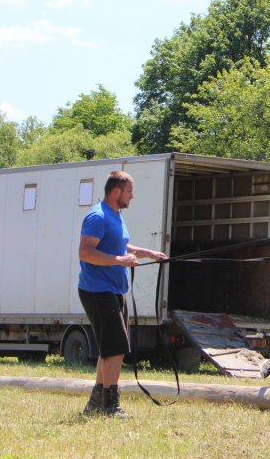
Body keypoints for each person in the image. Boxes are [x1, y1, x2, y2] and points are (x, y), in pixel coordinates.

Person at [78, 171, 167, 418]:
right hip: (98, 289)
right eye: (129, 191)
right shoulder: (98, 216)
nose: (132, 196)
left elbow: (119, 245)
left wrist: (148, 253)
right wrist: (119, 260)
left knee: (110, 348)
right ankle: (111, 405)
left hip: (115, 289)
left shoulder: (115, 215)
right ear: (116, 191)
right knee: (115, 349)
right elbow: (85, 252)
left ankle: (96, 402)